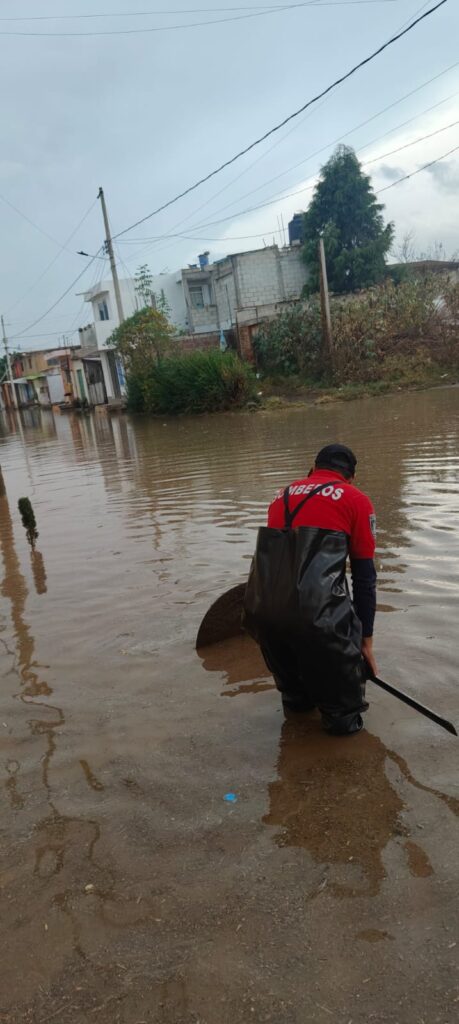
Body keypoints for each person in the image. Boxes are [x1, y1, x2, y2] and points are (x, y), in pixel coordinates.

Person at [243, 443, 377, 735]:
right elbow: (364, 579)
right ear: (350, 477)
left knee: (297, 706)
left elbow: (283, 565)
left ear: (313, 468)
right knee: (343, 721)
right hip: (319, 619)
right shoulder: (356, 500)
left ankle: (296, 745)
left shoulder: (281, 497)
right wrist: (364, 642)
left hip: (265, 616)